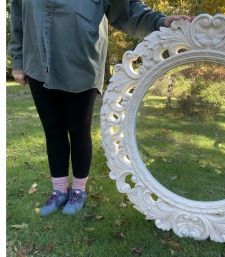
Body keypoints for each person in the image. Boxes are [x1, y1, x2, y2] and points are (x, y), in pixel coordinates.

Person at [8, 0, 193, 216]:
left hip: (81, 65)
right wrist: (18, 60)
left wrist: (160, 21)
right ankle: (58, 191)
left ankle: (78, 190)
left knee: (79, 132)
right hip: (39, 64)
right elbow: (18, 15)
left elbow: (128, 11)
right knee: (53, 131)